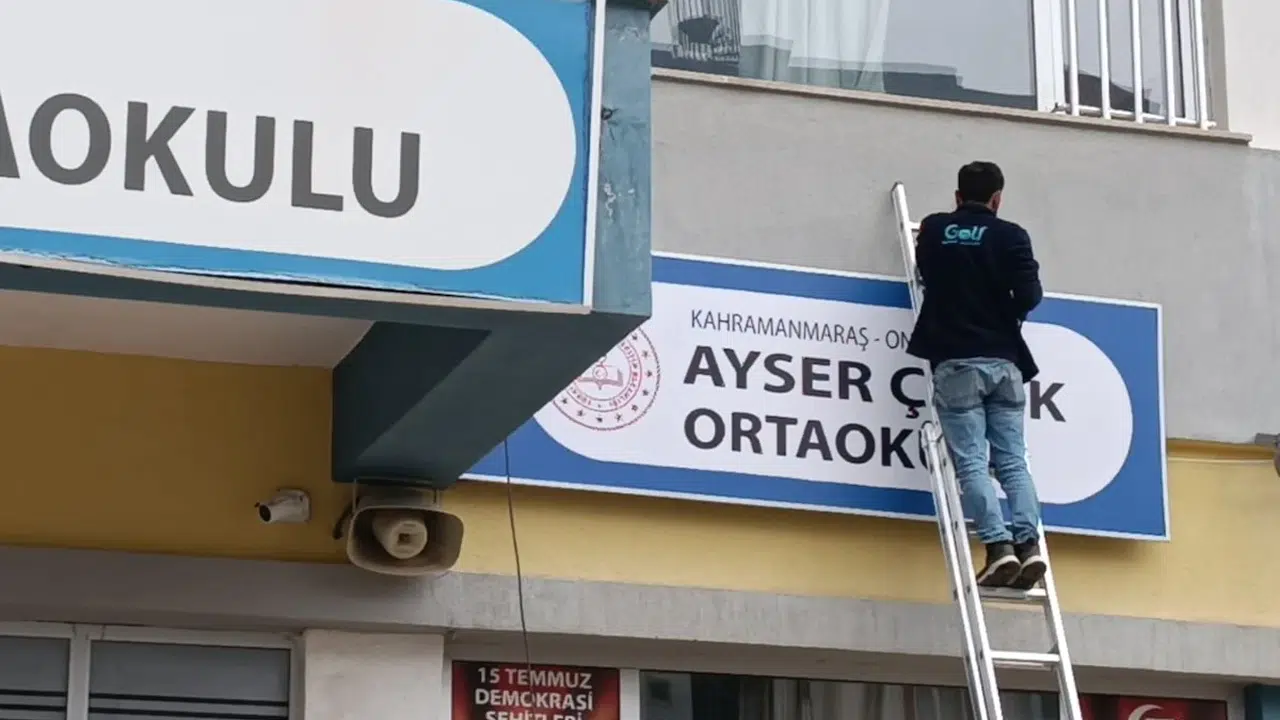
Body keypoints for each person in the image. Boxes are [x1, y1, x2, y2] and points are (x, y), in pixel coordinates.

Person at [906, 160, 1046, 589]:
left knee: (971, 463)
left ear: (957, 196)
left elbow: (926, 273)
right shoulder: (1011, 236)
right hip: (1004, 363)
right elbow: (1030, 296)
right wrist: (1004, 310)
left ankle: (999, 548)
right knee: (1013, 462)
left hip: (956, 362)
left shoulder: (934, 229)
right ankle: (1029, 545)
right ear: (997, 199)